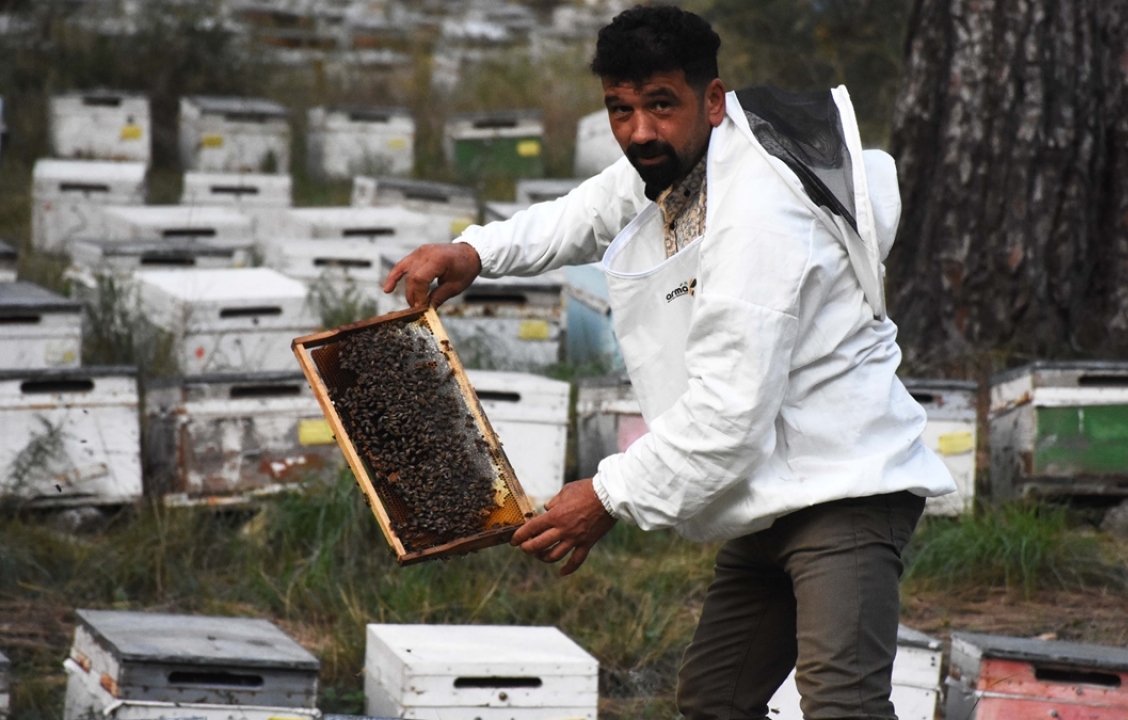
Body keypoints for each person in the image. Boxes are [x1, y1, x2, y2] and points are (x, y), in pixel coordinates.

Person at [383, 6, 957, 719]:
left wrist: (606, 495)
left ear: (712, 99)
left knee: (844, 706)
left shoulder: (759, 219)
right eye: (619, 110)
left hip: (846, 487)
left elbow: (726, 418)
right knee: (715, 699)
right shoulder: (697, 154)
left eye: (660, 105)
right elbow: (595, 207)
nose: (640, 132)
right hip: (768, 489)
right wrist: (476, 251)